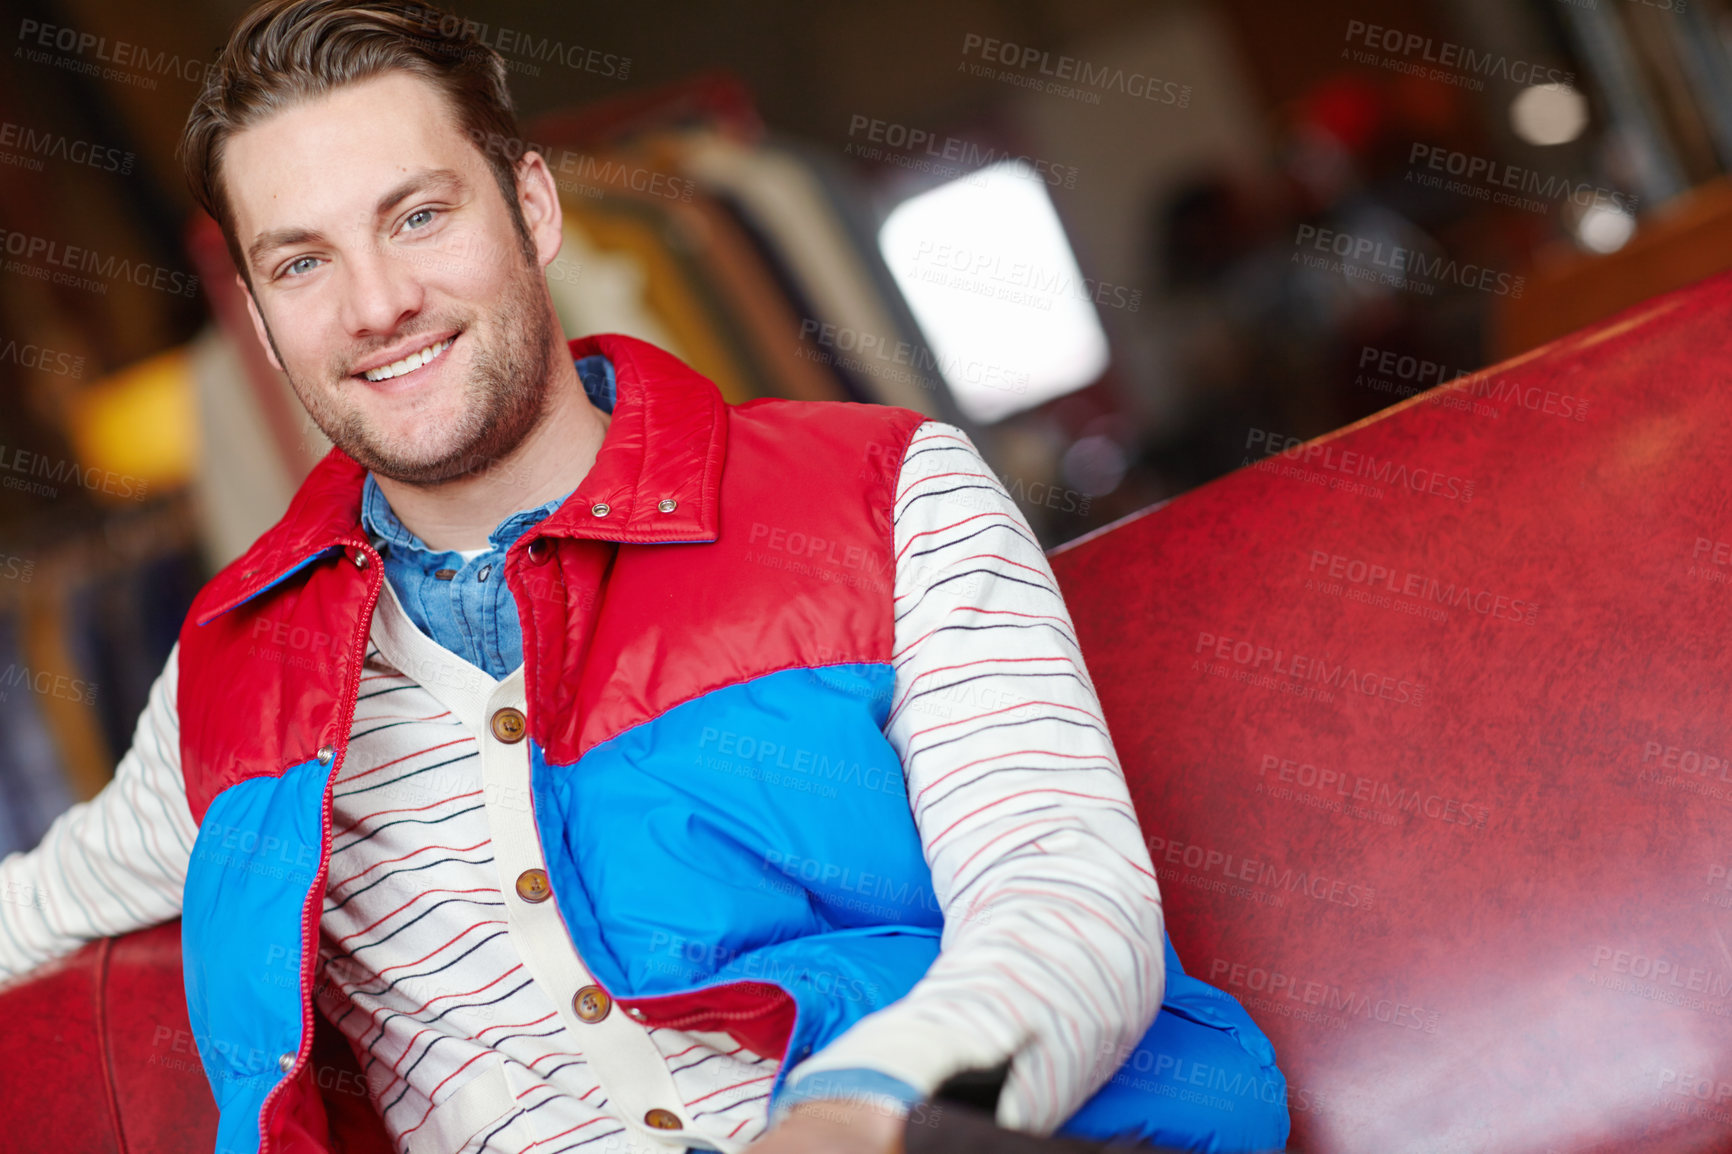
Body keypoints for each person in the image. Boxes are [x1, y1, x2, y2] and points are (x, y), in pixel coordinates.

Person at [0, 3, 1291, 1152]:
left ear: (536, 209)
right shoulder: (234, 676)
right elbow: (41, 904)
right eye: (302, 262)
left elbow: (1065, 898)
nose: (376, 301)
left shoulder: (886, 496)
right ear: (265, 322)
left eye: (420, 215)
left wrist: (860, 1107)